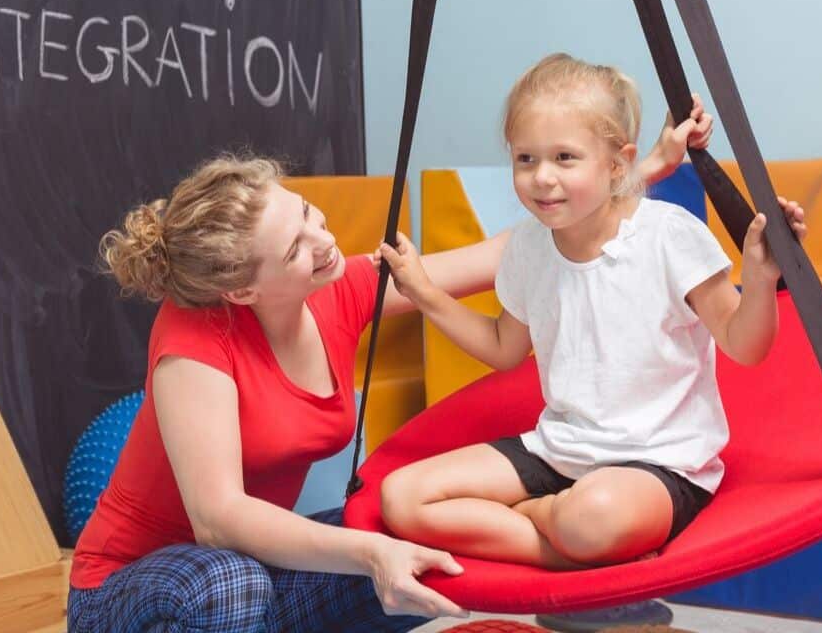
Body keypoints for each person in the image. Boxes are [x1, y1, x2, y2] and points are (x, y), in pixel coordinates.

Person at [65, 93, 708, 632]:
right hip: (132, 593)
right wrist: (370, 551)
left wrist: (633, 172)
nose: (324, 242)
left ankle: (576, 588)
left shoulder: (336, 287)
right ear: (241, 291)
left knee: (426, 552)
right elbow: (218, 520)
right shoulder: (196, 335)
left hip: (256, 574)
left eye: (310, 217)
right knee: (233, 584)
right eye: (295, 249)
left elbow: (509, 251)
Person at [378, 53, 806, 572]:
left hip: (656, 464)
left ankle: (551, 522)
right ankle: (560, 542)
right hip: (559, 450)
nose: (542, 179)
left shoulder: (668, 235)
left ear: (619, 164)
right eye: (526, 159)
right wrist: (425, 293)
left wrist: (761, 278)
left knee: (594, 516)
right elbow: (502, 347)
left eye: (564, 158)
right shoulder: (529, 247)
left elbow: (746, 344)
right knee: (402, 498)